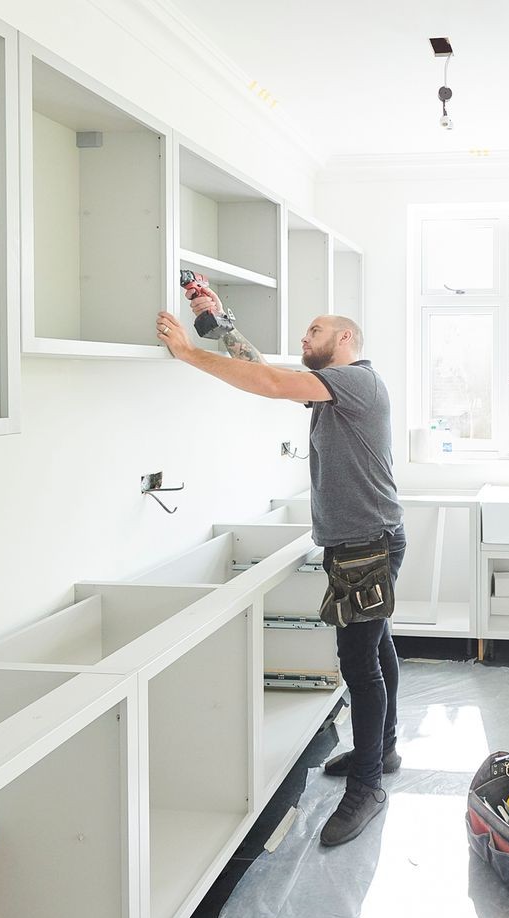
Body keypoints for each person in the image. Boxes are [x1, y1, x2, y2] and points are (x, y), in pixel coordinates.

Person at [156, 297, 405, 847]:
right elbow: (265, 368)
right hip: (363, 542)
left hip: (366, 546)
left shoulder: (358, 383)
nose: (304, 338)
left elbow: (269, 383)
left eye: (314, 331)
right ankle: (382, 749)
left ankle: (367, 787)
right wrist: (220, 320)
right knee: (378, 645)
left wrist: (190, 353)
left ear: (345, 340)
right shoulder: (331, 394)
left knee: (359, 665)